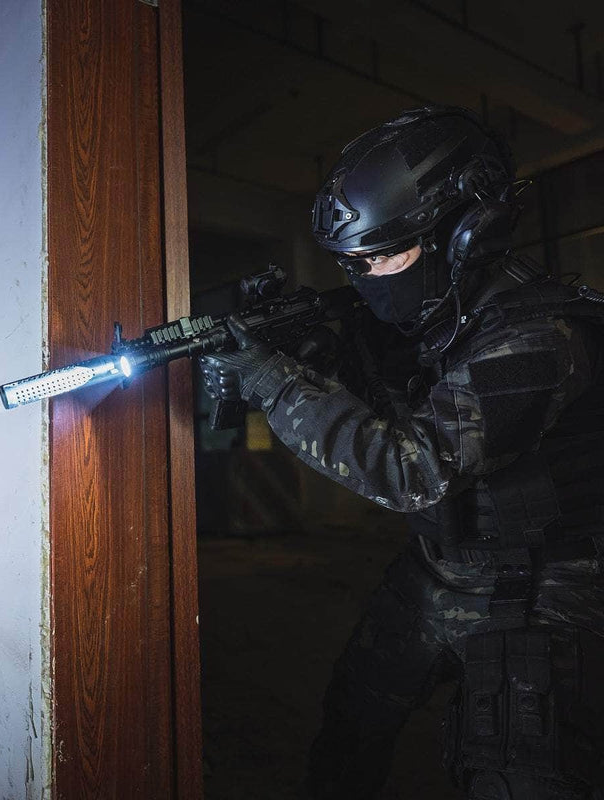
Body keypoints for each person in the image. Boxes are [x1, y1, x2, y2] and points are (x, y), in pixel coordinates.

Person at [199, 106, 604, 800]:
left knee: (517, 774)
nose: (367, 277)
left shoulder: (539, 340)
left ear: (466, 235)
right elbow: (385, 397)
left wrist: (274, 380)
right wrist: (317, 354)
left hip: (547, 586)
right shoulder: (430, 320)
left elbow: (411, 466)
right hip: (439, 566)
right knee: (351, 724)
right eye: (353, 263)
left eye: (384, 255)